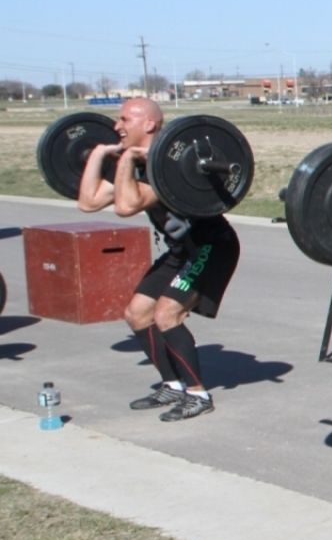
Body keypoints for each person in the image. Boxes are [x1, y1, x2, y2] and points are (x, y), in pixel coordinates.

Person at [76, 97, 240, 422]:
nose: (116, 126)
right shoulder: (136, 163)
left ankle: (197, 395)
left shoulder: (168, 167)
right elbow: (88, 202)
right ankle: (172, 384)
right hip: (183, 250)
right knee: (137, 313)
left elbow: (125, 207)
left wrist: (126, 160)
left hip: (212, 246)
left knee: (167, 314)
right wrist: (97, 156)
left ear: (148, 124)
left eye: (124, 119)